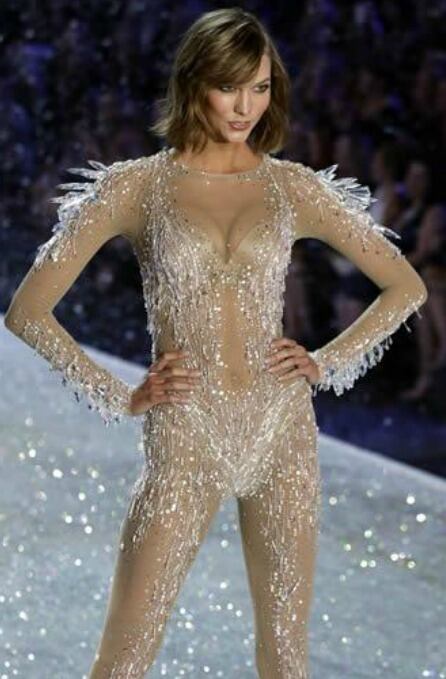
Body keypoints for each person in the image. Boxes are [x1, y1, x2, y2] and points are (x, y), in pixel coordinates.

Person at [3, 8, 428, 679]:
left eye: (260, 87)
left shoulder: (291, 187)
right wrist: (121, 394)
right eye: (229, 86)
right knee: (124, 659)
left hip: (281, 428)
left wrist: (325, 361)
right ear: (194, 81)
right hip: (186, 435)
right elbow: (28, 311)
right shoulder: (137, 187)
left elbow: (405, 286)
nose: (245, 107)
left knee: (285, 658)